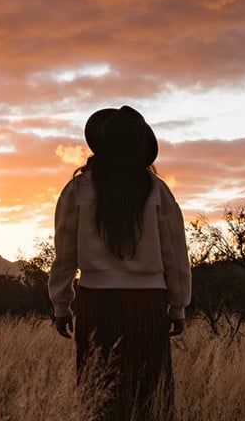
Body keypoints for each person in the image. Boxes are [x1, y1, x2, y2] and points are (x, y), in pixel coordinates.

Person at [48, 106, 191, 421]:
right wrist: (178, 306)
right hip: (148, 304)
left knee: (99, 397)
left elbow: (64, 253)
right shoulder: (157, 189)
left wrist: (61, 303)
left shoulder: (79, 188)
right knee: (149, 395)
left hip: (96, 302)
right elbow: (176, 254)